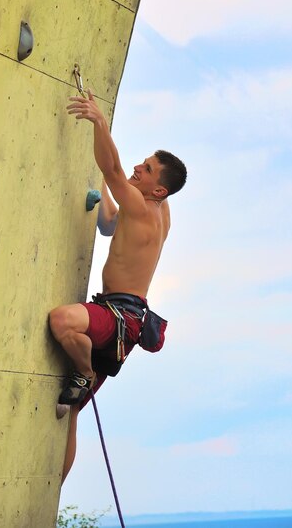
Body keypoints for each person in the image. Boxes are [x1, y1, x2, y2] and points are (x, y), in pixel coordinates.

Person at [49, 90, 187, 482]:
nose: (137, 170)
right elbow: (113, 223)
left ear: (158, 190)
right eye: (142, 164)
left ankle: (82, 370)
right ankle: (50, 495)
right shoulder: (159, 211)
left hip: (118, 316)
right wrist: (100, 200)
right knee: (70, 415)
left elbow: (111, 169)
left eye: (146, 170)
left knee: (62, 321)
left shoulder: (144, 207)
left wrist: (99, 123)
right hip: (128, 322)